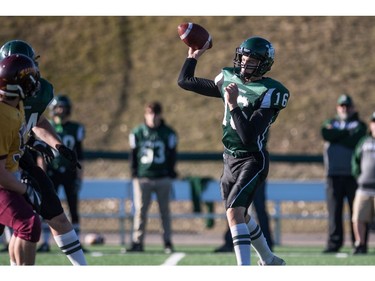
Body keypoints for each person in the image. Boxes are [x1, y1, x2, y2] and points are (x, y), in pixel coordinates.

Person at [178, 36, 289, 265]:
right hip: (229, 159)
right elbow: (185, 81)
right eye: (243, 56)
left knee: (233, 213)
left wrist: (233, 105)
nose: (244, 62)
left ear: (264, 63)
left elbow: (249, 137)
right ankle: (268, 259)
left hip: (252, 160)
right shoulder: (229, 78)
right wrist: (193, 57)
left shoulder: (270, 91)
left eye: (252, 59)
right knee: (242, 215)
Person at [0, 39, 87, 265]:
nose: (32, 77)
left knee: (44, 218)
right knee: (25, 224)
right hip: (7, 164)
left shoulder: (26, 98)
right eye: (23, 72)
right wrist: (24, 188)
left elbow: (35, 119)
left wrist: (54, 143)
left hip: (17, 156)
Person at [0, 53, 42, 265]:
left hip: (8, 177)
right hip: (2, 182)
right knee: (28, 224)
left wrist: (34, 142)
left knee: (24, 225)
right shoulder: (3, 115)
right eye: (29, 78)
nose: (34, 83)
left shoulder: (15, 106)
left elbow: (15, 139)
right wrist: (25, 189)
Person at [36, 95, 86, 253]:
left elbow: (81, 155)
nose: (61, 110)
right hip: (52, 172)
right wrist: (41, 174)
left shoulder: (75, 128)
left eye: (64, 107)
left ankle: (77, 242)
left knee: (73, 208)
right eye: (59, 107)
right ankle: (45, 242)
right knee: (48, 207)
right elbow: (40, 155)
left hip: (70, 173)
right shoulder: (46, 127)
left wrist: (79, 177)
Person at [128, 101, 178, 254]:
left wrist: (170, 172)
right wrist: (134, 173)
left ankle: (167, 242)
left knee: (165, 212)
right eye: (150, 113)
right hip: (144, 177)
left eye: (155, 113)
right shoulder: (137, 132)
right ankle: (138, 242)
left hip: (163, 177)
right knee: (140, 211)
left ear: (160, 115)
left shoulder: (168, 133)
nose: (153, 117)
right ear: (145, 114)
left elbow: (172, 155)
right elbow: (133, 155)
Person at [321, 94, 367, 253]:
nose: (345, 108)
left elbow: (356, 140)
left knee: (357, 213)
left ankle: (359, 244)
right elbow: (326, 134)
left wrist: (338, 135)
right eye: (342, 106)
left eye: (347, 106)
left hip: (353, 176)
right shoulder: (330, 123)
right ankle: (334, 244)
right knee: (334, 212)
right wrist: (346, 133)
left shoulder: (360, 125)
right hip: (333, 175)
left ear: (353, 107)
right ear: (337, 108)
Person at [214, 181, 274, 252]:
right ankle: (230, 242)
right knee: (233, 208)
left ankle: (267, 243)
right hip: (240, 175)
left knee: (260, 210)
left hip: (254, 175)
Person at [351, 111, 375, 254]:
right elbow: (355, 160)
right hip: (364, 188)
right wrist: (358, 176)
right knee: (358, 217)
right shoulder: (364, 141)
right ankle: (360, 244)